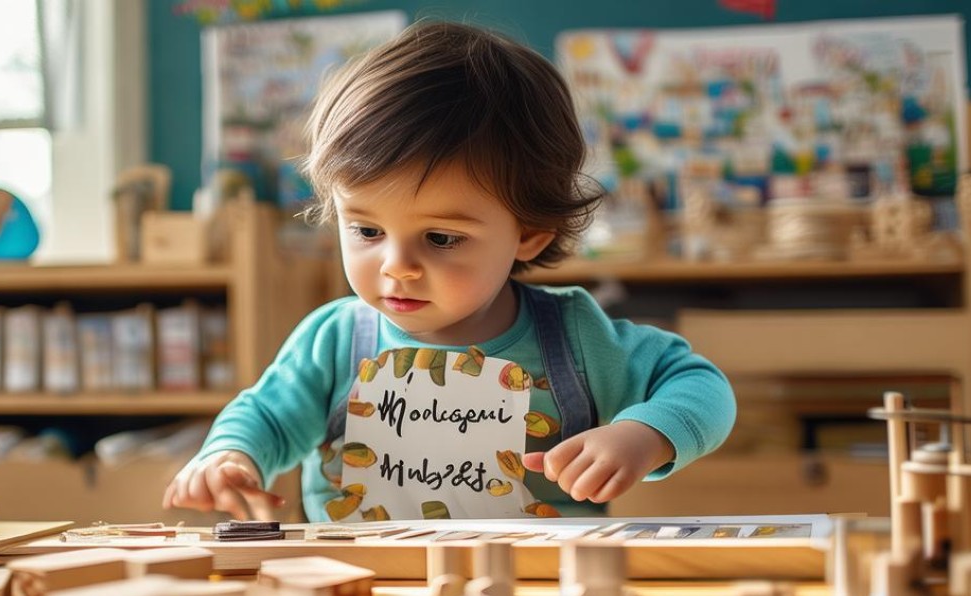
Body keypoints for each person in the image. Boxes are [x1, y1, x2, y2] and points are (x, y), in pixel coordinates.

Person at [163, 20, 736, 522]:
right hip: (365, 581)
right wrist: (230, 455)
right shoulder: (336, 339)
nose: (398, 267)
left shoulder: (576, 337)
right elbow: (265, 415)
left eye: (440, 238)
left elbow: (700, 385)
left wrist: (646, 434)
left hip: (534, 586)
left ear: (529, 233)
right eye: (366, 230)